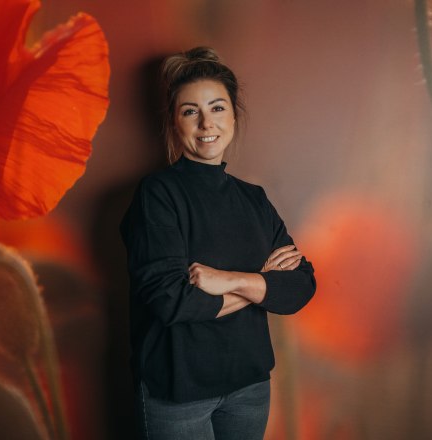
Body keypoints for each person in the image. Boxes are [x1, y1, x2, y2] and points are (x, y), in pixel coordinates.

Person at [120, 47, 317, 440]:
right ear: (174, 122)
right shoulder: (157, 194)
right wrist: (261, 284)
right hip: (179, 392)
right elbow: (171, 301)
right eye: (190, 110)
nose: (206, 122)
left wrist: (228, 280)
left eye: (217, 107)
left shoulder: (254, 199)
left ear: (233, 115)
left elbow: (301, 286)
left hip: (250, 387)